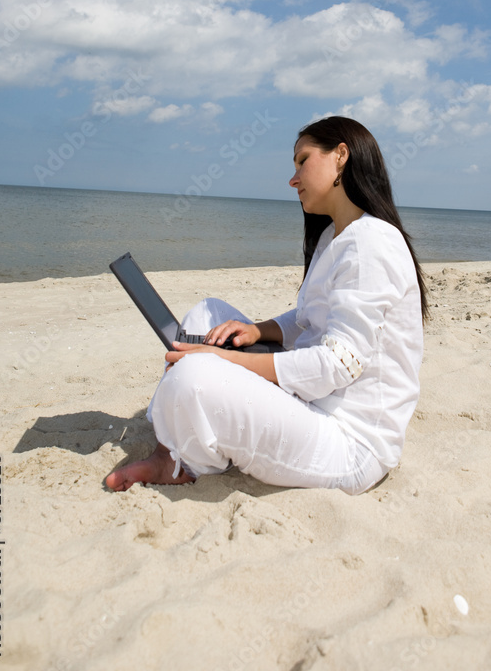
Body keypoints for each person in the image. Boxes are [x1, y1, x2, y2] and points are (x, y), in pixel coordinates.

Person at [105, 116, 428, 496]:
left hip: (349, 441)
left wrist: (229, 361)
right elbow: (310, 318)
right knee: (208, 314)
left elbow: (339, 364)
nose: (293, 179)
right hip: (313, 403)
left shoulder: (370, 243)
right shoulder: (333, 237)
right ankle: (169, 451)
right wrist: (259, 331)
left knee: (193, 374)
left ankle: (184, 459)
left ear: (341, 156)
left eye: (302, 161)